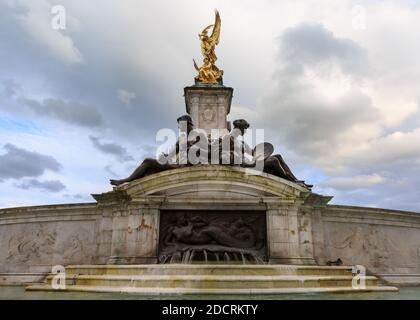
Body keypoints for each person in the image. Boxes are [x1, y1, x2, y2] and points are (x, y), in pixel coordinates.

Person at [110, 115, 195, 186]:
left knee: (148, 161)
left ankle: (126, 180)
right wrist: (165, 156)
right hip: (176, 164)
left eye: (180, 125)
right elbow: (171, 154)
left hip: (183, 167)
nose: (179, 128)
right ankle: (132, 184)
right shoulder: (182, 139)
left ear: (187, 124)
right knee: (150, 171)